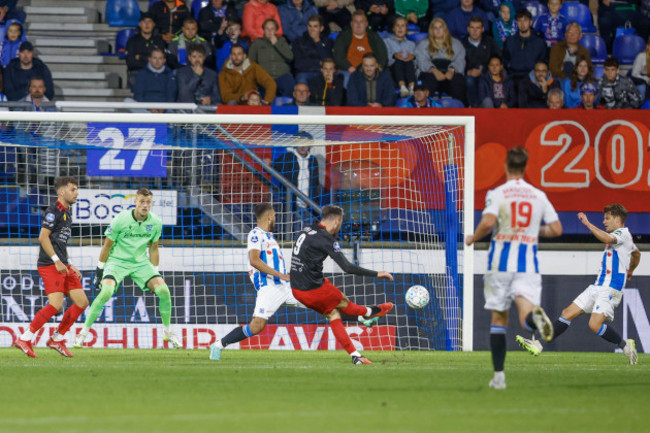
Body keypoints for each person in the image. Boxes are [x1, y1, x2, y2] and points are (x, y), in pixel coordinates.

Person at [465, 147, 563, 389]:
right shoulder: (538, 195)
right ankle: (535, 320)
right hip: (528, 264)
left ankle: (499, 377)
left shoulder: (498, 193)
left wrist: (473, 237)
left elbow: (488, 222)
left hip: (500, 263)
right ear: (525, 167)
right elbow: (556, 229)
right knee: (524, 313)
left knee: (499, 318)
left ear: (506, 167)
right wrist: (532, 231)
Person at [516, 204, 640, 366]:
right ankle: (538, 345)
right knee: (567, 313)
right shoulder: (624, 238)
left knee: (594, 325)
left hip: (611, 288)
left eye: (607, 218)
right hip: (598, 285)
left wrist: (588, 224)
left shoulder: (622, 234)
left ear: (618, 219)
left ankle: (625, 345)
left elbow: (607, 239)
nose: (604, 221)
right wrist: (631, 269)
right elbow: (636, 253)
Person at [74, 188, 182, 349]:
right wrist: (99, 271)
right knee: (106, 292)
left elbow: (153, 248)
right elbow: (107, 246)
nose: (145, 205)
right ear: (135, 202)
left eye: (148, 202)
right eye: (142, 202)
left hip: (140, 263)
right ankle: (83, 332)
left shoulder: (156, 222)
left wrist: (155, 272)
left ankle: (167, 332)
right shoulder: (120, 219)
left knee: (164, 291)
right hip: (117, 261)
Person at [290, 204, 395, 365]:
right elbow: (347, 267)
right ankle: (369, 312)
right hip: (312, 288)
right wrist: (377, 273)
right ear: (337, 221)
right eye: (341, 222)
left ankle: (356, 355)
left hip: (297, 288)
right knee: (344, 303)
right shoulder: (326, 239)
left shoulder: (307, 229)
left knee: (333, 314)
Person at [208, 204, 305, 360]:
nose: (275, 218)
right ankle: (218, 345)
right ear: (268, 217)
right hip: (269, 288)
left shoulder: (270, 237)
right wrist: (280, 274)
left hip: (285, 288)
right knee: (256, 326)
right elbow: (254, 260)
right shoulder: (256, 234)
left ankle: (358, 316)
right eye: (274, 215)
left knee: (319, 302)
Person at [14, 177, 89, 358]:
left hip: (62, 264)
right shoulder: (52, 211)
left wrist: (69, 264)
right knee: (55, 305)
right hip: (49, 264)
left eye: (77, 189)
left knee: (82, 302)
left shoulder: (67, 213)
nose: (76, 192)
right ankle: (25, 338)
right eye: (73, 189)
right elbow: (43, 237)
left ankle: (57, 338)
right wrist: (56, 260)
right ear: (62, 192)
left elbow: (60, 243)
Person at [415, 18, 466, 103]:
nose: (438, 30)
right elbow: (422, 61)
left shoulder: (456, 43)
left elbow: (460, 60)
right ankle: (426, 108)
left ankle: (459, 109)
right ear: (431, 30)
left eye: (440, 27)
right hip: (431, 74)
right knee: (427, 79)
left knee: (458, 79)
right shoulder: (423, 44)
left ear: (445, 29)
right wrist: (434, 71)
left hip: (448, 75)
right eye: (435, 28)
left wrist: (452, 70)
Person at [332, 10, 388, 76]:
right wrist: (349, 67)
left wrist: (376, 69)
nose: (358, 24)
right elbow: (338, 57)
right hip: (350, 72)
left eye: (361, 21)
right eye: (356, 21)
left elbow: (383, 56)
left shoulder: (374, 37)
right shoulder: (342, 37)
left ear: (366, 24)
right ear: (351, 24)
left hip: (372, 71)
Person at [248, 18, 295, 97]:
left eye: (272, 29)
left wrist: (276, 44)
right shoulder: (257, 42)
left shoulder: (282, 41)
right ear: (264, 30)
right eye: (267, 28)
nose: (269, 31)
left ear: (276, 31)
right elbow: (250, 62)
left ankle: (287, 107)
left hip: (282, 75)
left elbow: (290, 57)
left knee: (289, 86)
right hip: (265, 76)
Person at [502, 9, 548, 88]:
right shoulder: (510, 41)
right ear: (516, 23)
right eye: (519, 21)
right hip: (513, 77)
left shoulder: (540, 42)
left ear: (530, 22)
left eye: (525, 20)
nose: (522, 23)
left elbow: (543, 63)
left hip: (532, 78)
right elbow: (505, 61)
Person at [462, 16, 500, 107]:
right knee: (469, 80)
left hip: (487, 73)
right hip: (469, 76)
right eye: (472, 28)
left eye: (478, 28)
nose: (475, 31)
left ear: (482, 29)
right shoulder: (462, 44)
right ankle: (474, 107)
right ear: (468, 29)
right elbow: (458, 63)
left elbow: (498, 58)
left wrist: (485, 69)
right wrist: (467, 71)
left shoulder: (489, 42)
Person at [125, 12, 166, 89]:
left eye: (149, 22)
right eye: (144, 22)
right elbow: (131, 63)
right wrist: (152, 61)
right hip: (138, 73)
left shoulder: (159, 41)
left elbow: (162, 61)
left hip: (156, 73)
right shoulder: (132, 41)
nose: (147, 24)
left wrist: (141, 57)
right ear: (140, 24)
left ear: (153, 24)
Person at [292, 15, 334, 84]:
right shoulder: (298, 41)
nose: (312, 29)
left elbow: (328, 61)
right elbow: (298, 64)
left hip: (323, 73)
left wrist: (318, 41)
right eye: (310, 26)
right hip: (305, 73)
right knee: (302, 81)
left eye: (315, 26)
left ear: (321, 28)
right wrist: (318, 63)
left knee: (332, 79)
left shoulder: (328, 41)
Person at [385, 16, 417, 97]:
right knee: (398, 61)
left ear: (406, 30)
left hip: (409, 73)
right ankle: (402, 88)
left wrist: (413, 58)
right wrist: (394, 56)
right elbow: (385, 60)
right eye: (397, 25)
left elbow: (417, 64)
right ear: (393, 28)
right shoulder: (386, 42)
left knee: (408, 61)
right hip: (393, 73)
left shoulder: (411, 44)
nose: (400, 28)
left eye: (403, 26)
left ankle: (412, 88)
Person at [631, 36, 650, 102]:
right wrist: (646, 79)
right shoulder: (641, 56)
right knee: (642, 87)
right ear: (648, 46)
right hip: (642, 81)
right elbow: (634, 74)